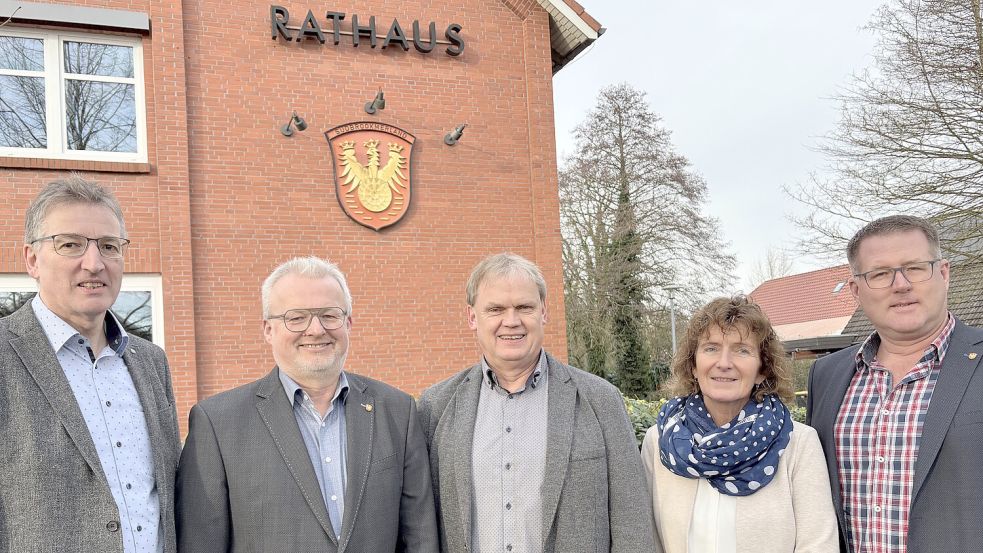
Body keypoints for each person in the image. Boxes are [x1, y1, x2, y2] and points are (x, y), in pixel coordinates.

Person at [176, 256, 438, 552]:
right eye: (296, 317)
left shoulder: (397, 411)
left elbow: (420, 538)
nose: (315, 330)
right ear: (267, 329)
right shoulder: (217, 423)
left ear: (348, 323)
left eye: (329, 315)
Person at [418, 252, 655, 553]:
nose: (511, 321)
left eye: (524, 307)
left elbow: (631, 519)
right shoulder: (436, 407)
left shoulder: (601, 400)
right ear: (472, 318)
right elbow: (420, 525)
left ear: (543, 312)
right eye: (495, 309)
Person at [0, 176, 181, 552]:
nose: (95, 263)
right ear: (32, 259)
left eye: (109, 246)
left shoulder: (151, 362)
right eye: (71, 244)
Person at [807, 215, 983, 553]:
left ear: (943, 273)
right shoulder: (825, 376)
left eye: (915, 268)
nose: (900, 284)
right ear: (856, 290)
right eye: (880, 274)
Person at [642, 295, 838, 552]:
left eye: (742, 350)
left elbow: (818, 544)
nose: (724, 363)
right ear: (693, 365)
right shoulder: (659, 441)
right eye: (711, 348)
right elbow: (648, 540)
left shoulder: (798, 444)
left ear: (762, 369)